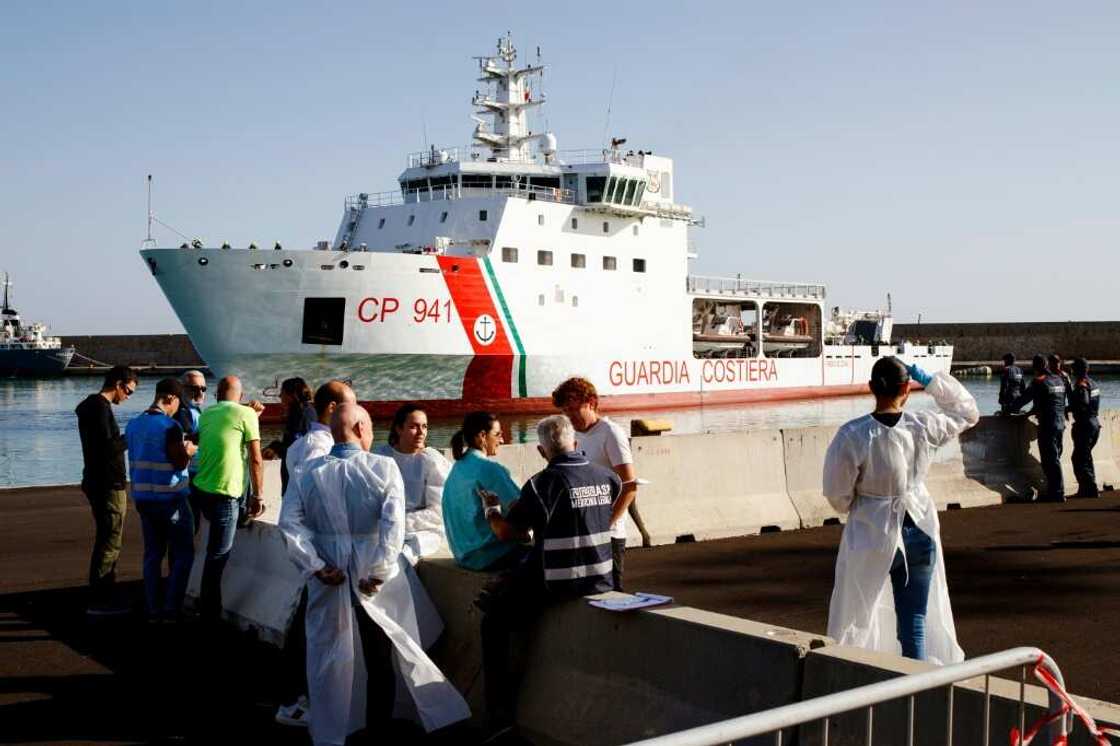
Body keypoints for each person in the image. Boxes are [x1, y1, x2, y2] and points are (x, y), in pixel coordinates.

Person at [278, 403, 469, 746]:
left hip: (328, 573)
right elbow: (393, 527)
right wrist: (380, 570)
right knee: (382, 652)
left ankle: (331, 728)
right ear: (363, 428)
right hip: (371, 573)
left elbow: (290, 524)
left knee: (327, 653)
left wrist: (316, 565)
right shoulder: (382, 468)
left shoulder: (308, 471)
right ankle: (379, 728)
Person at [823, 358, 979, 664]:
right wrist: (932, 381)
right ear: (907, 389)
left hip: (872, 531)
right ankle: (916, 687)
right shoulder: (923, 425)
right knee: (915, 622)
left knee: (855, 615)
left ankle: (854, 679)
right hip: (918, 528)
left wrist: (858, 504)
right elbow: (967, 412)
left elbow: (836, 493)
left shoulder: (852, 434)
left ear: (871, 388)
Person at [477, 414, 619, 735]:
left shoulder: (541, 484)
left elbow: (509, 532)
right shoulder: (606, 477)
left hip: (558, 583)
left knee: (494, 620)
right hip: (601, 578)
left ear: (542, 452)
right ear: (576, 444)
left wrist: (491, 509)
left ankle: (498, 716)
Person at [275, 379, 355, 729]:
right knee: (311, 629)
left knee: (312, 625)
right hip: (322, 553)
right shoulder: (317, 448)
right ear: (334, 409)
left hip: (321, 552)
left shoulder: (310, 444)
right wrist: (315, 562)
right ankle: (295, 699)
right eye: (353, 404)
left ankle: (301, 696)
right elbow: (302, 507)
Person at [552, 376, 648, 591]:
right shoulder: (572, 434)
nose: (570, 416)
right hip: (583, 530)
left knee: (612, 592)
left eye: (574, 410)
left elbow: (629, 486)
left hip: (609, 534)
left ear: (592, 403)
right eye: (565, 411)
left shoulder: (610, 433)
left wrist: (607, 524)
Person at [124, 378, 196, 621]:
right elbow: (178, 462)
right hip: (170, 498)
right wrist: (188, 451)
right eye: (178, 403)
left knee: (152, 554)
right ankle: (171, 608)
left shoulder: (133, 424)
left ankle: (153, 606)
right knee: (184, 554)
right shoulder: (170, 427)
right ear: (171, 399)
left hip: (143, 498)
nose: (178, 409)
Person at [193, 375, 265, 620]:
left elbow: (226, 437)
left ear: (216, 394)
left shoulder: (206, 414)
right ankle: (209, 612)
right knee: (218, 556)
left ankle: (206, 606)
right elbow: (256, 459)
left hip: (202, 490)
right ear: (241, 396)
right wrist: (259, 496)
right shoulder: (247, 415)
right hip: (226, 495)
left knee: (212, 553)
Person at [75, 365, 138, 616]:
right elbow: (107, 448)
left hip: (94, 479)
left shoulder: (89, 407)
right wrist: (130, 436)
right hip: (107, 483)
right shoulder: (100, 408)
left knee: (106, 538)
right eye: (129, 391)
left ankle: (101, 594)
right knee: (110, 541)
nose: (128, 396)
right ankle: (101, 599)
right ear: (119, 384)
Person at [442, 411, 524, 571]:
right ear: (482, 436)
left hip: (463, 556)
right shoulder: (489, 468)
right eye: (498, 434)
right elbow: (522, 510)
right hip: (491, 556)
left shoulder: (457, 468)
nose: (502, 439)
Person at [373, 404, 451, 562]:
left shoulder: (432, 460)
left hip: (424, 531)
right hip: (384, 526)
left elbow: (438, 512)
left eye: (424, 426)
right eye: (414, 427)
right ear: (399, 429)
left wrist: (397, 522)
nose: (421, 432)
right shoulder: (381, 456)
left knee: (400, 556)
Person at [1010, 355, 1069, 502]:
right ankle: (1055, 490)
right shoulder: (1058, 379)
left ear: (1036, 366)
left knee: (1050, 460)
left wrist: (1009, 410)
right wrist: (1030, 413)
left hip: (1048, 424)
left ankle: (1057, 493)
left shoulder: (1039, 381)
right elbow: (1049, 402)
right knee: (1055, 458)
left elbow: (1023, 399)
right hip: (1060, 423)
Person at [265, 377, 316, 493]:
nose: (280, 397)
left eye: (282, 393)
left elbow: (297, 450)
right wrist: (276, 445)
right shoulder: (306, 411)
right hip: (299, 478)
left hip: (297, 481)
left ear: (291, 395)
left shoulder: (301, 415)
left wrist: (276, 447)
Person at [175, 370, 206, 530]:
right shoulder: (182, 411)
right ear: (181, 388)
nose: (199, 392)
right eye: (194, 388)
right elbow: (185, 440)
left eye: (203, 389)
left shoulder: (194, 409)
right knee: (188, 524)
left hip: (195, 473)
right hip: (188, 476)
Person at [1069, 358, 1101, 498]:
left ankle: (1088, 489)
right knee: (1086, 457)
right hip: (1094, 423)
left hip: (1085, 425)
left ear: (1077, 370)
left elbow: (1083, 402)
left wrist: (1067, 408)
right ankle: (1090, 487)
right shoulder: (1093, 383)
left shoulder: (1081, 384)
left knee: (1079, 458)